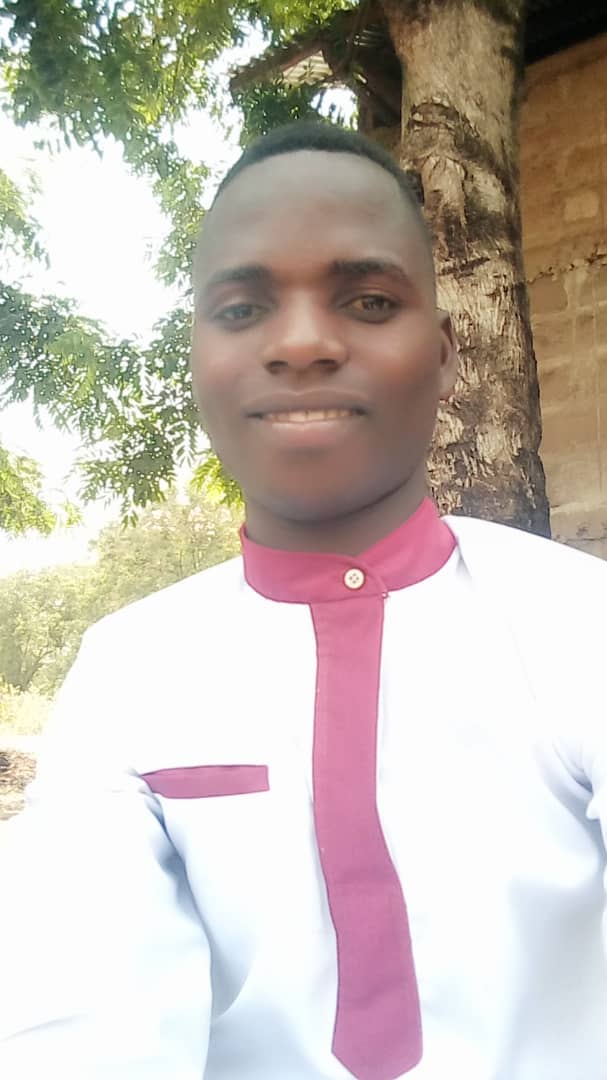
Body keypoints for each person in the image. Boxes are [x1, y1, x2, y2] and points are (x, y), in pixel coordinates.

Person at [1, 120, 606, 1080]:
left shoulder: (579, 624)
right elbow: (73, 1010)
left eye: (367, 301)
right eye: (242, 309)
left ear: (445, 353)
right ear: (196, 358)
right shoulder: (127, 670)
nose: (300, 343)